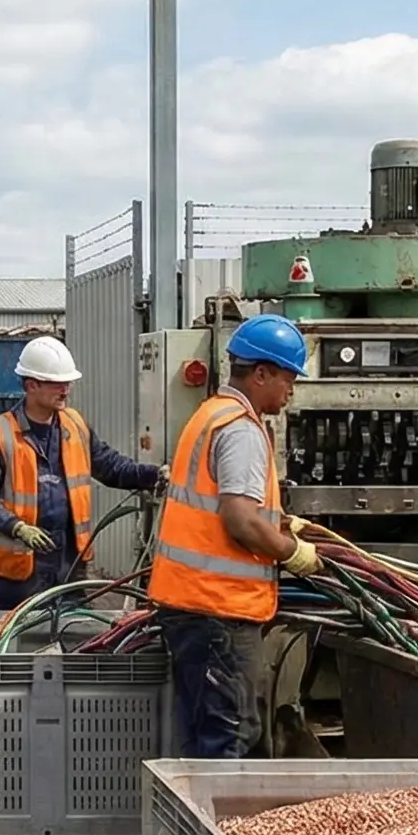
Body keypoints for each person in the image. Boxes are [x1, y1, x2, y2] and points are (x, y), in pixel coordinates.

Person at [147, 314, 325, 757]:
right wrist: (291, 553)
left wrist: (283, 524)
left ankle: (191, 823)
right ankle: (219, 825)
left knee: (203, 731)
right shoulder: (241, 429)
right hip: (217, 609)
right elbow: (240, 519)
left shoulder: (210, 414)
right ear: (261, 373)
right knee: (232, 735)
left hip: (194, 605)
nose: (291, 389)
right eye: (288, 378)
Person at [0, 335, 165, 610]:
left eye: (68, 383)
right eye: (58, 383)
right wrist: (18, 527)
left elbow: (110, 466)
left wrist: (155, 475)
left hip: (70, 566)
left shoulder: (75, 425)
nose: (66, 390)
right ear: (31, 385)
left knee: (73, 639)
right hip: (19, 571)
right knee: (14, 646)